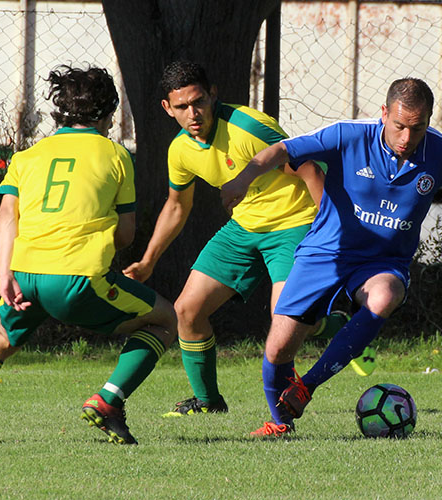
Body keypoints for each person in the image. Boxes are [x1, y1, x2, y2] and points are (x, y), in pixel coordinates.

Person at [221, 77, 442, 437]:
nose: (407, 138)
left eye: (417, 128)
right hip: (326, 252)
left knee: (385, 295)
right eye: (399, 126)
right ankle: (281, 423)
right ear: (384, 113)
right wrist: (243, 178)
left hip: (383, 262)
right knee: (277, 348)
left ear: (428, 121)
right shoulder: (349, 135)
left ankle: (308, 385)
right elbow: (283, 150)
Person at [0, 64, 177, 445]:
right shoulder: (116, 155)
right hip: (78, 277)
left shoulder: (28, 156)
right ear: (108, 112)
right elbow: (126, 235)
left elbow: (6, 216)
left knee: (2, 338)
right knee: (166, 319)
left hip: (23, 275)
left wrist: (4, 274)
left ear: (62, 111)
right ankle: (109, 400)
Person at [122, 60, 360, 418]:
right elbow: (176, 206)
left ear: (212, 94)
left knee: (285, 322)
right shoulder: (180, 150)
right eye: (182, 106)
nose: (193, 114)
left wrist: (331, 234)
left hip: (295, 223)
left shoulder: (248, 128)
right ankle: (208, 402)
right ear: (167, 108)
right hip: (244, 228)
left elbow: (310, 171)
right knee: (186, 311)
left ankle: (332, 329)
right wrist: (147, 261)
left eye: (198, 101)